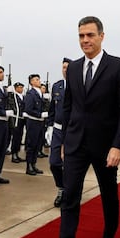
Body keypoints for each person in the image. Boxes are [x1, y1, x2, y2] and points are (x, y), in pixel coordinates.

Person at [48, 16, 120, 238]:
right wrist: (62, 140)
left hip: (106, 147)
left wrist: (118, 145)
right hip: (75, 144)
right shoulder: (73, 68)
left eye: (90, 35)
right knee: (69, 196)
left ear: (101, 36)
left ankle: (109, 235)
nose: (85, 40)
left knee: (109, 193)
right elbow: (67, 107)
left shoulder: (118, 66)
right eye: (81, 36)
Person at [47, 57, 71, 207]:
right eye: (63, 67)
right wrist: (49, 126)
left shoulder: (80, 86)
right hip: (57, 130)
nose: (65, 70)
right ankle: (61, 188)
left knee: (71, 164)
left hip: (73, 131)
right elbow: (52, 109)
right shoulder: (57, 86)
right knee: (54, 163)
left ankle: (70, 191)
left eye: (68, 67)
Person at [24, 74, 49, 175]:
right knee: (32, 145)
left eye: (39, 79)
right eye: (36, 80)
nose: (39, 81)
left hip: (40, 122)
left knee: (38, 144)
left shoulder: (40, 93)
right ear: (32, 82)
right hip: (33, 122)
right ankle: (29, 166)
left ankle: (34, 164)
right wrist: (39, 114)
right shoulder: (31, 93)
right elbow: (28, 109)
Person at [10, 82, 26, 163]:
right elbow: (13, 106)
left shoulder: (23, 97)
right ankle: (14, 154)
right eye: (19, 87)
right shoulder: (13, 97)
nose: (21, 89)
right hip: (16, 119)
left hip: (22, 119)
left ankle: (17, 153)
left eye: (22, 87)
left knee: (20, 137)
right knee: (15, 138)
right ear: (15, 88)